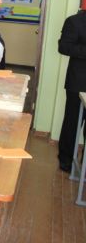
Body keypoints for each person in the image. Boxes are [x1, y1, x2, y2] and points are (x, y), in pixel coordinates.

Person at [57, 9, 86, 173]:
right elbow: (63, 47)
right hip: (78, 83)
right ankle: (65, 160)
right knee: (72, 123)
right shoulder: (74, 21)